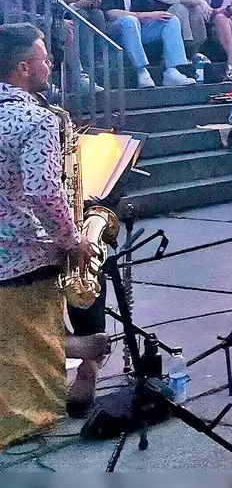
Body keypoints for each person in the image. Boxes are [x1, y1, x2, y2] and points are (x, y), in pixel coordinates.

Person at [0, 23, 107, 448]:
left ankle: (81, 352)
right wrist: (73, 239)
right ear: (24, 68)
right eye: (44, 58)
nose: (50, 64)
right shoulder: (34, 117)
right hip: (24, 254)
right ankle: (77, 367)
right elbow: (44, 190)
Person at [99, 0, 195, 88]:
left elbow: (147, 10)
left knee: (170, 19)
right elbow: (110, 13)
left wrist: (152, 16)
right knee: (130, 20)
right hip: (113, 33)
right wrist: (144, 15)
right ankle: (141, 71)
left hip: (137, 29)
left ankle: (172, 71)